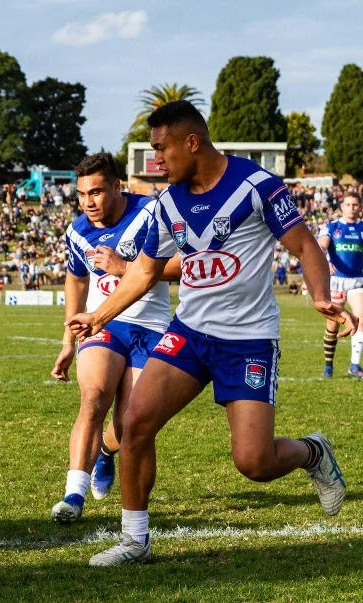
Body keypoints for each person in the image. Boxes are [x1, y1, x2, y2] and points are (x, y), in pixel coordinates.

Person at [67, 101, 356, 566]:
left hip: (248, 341)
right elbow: (144, 271)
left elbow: (305, 247)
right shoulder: (167, 204)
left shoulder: (257, 186)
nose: (156, 161)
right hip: (188, 334)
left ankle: (312, 452)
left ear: (191, 142)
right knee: (134, 423)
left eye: (162, 149)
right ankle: (135, 541)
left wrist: (320, 294)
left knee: (254, 462)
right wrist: (98, 317)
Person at [50, 152, 179, 524]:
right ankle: (73, 495)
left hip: (150, 326)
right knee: (94, 396)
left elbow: (184, 263)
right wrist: (67, 340)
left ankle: (107, 451)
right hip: (102, 323)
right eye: (81, 194)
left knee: (132, 420)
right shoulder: (78, 231)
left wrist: (125, 267)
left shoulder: (151, 213)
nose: (88, 202)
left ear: (117, 186)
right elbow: (76, 278)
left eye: (96, 192)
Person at [317, 193, 363, 378]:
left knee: (360, 317)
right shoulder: (331, 227)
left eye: (355, 205)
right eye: (348, 204)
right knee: (332, 324)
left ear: (360, 207)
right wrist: (324, 259)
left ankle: (354, 365)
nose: (352, 208)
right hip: (336, 281)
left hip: (357, 281)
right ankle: (328, 366)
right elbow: (321, 245)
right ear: (342, 207)